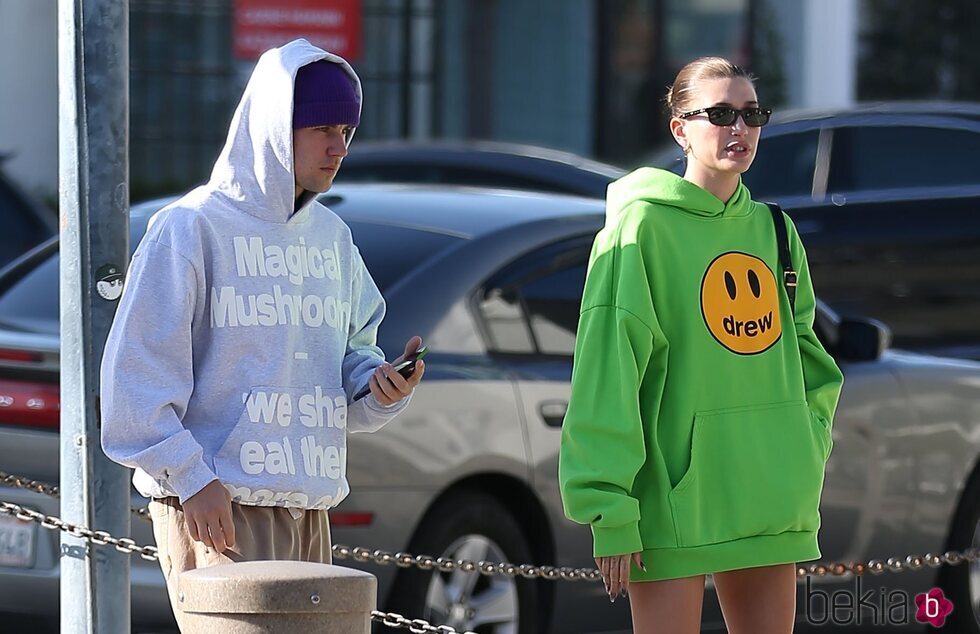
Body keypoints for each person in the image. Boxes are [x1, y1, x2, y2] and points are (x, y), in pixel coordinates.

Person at [100, 39, 425, 629]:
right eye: (322, 128)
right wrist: (192, 483)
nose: (338, 147)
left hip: (308, 506)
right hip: (217, 503)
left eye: (347, 131)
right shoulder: (189, 229)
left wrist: (376, 386)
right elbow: (134, 386)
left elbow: (351, 356)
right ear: (276, 126)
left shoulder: (332, 238)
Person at [558, 57, 844, 633]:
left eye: (751, 114)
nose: (738, 129)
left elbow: (810, 359)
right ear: (679, 128)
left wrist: (801, 449)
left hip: (769, 496)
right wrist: (608, 507)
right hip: (674, 502)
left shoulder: (775, 230)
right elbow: (607, 371)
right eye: (718, 114)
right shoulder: (640, 229)